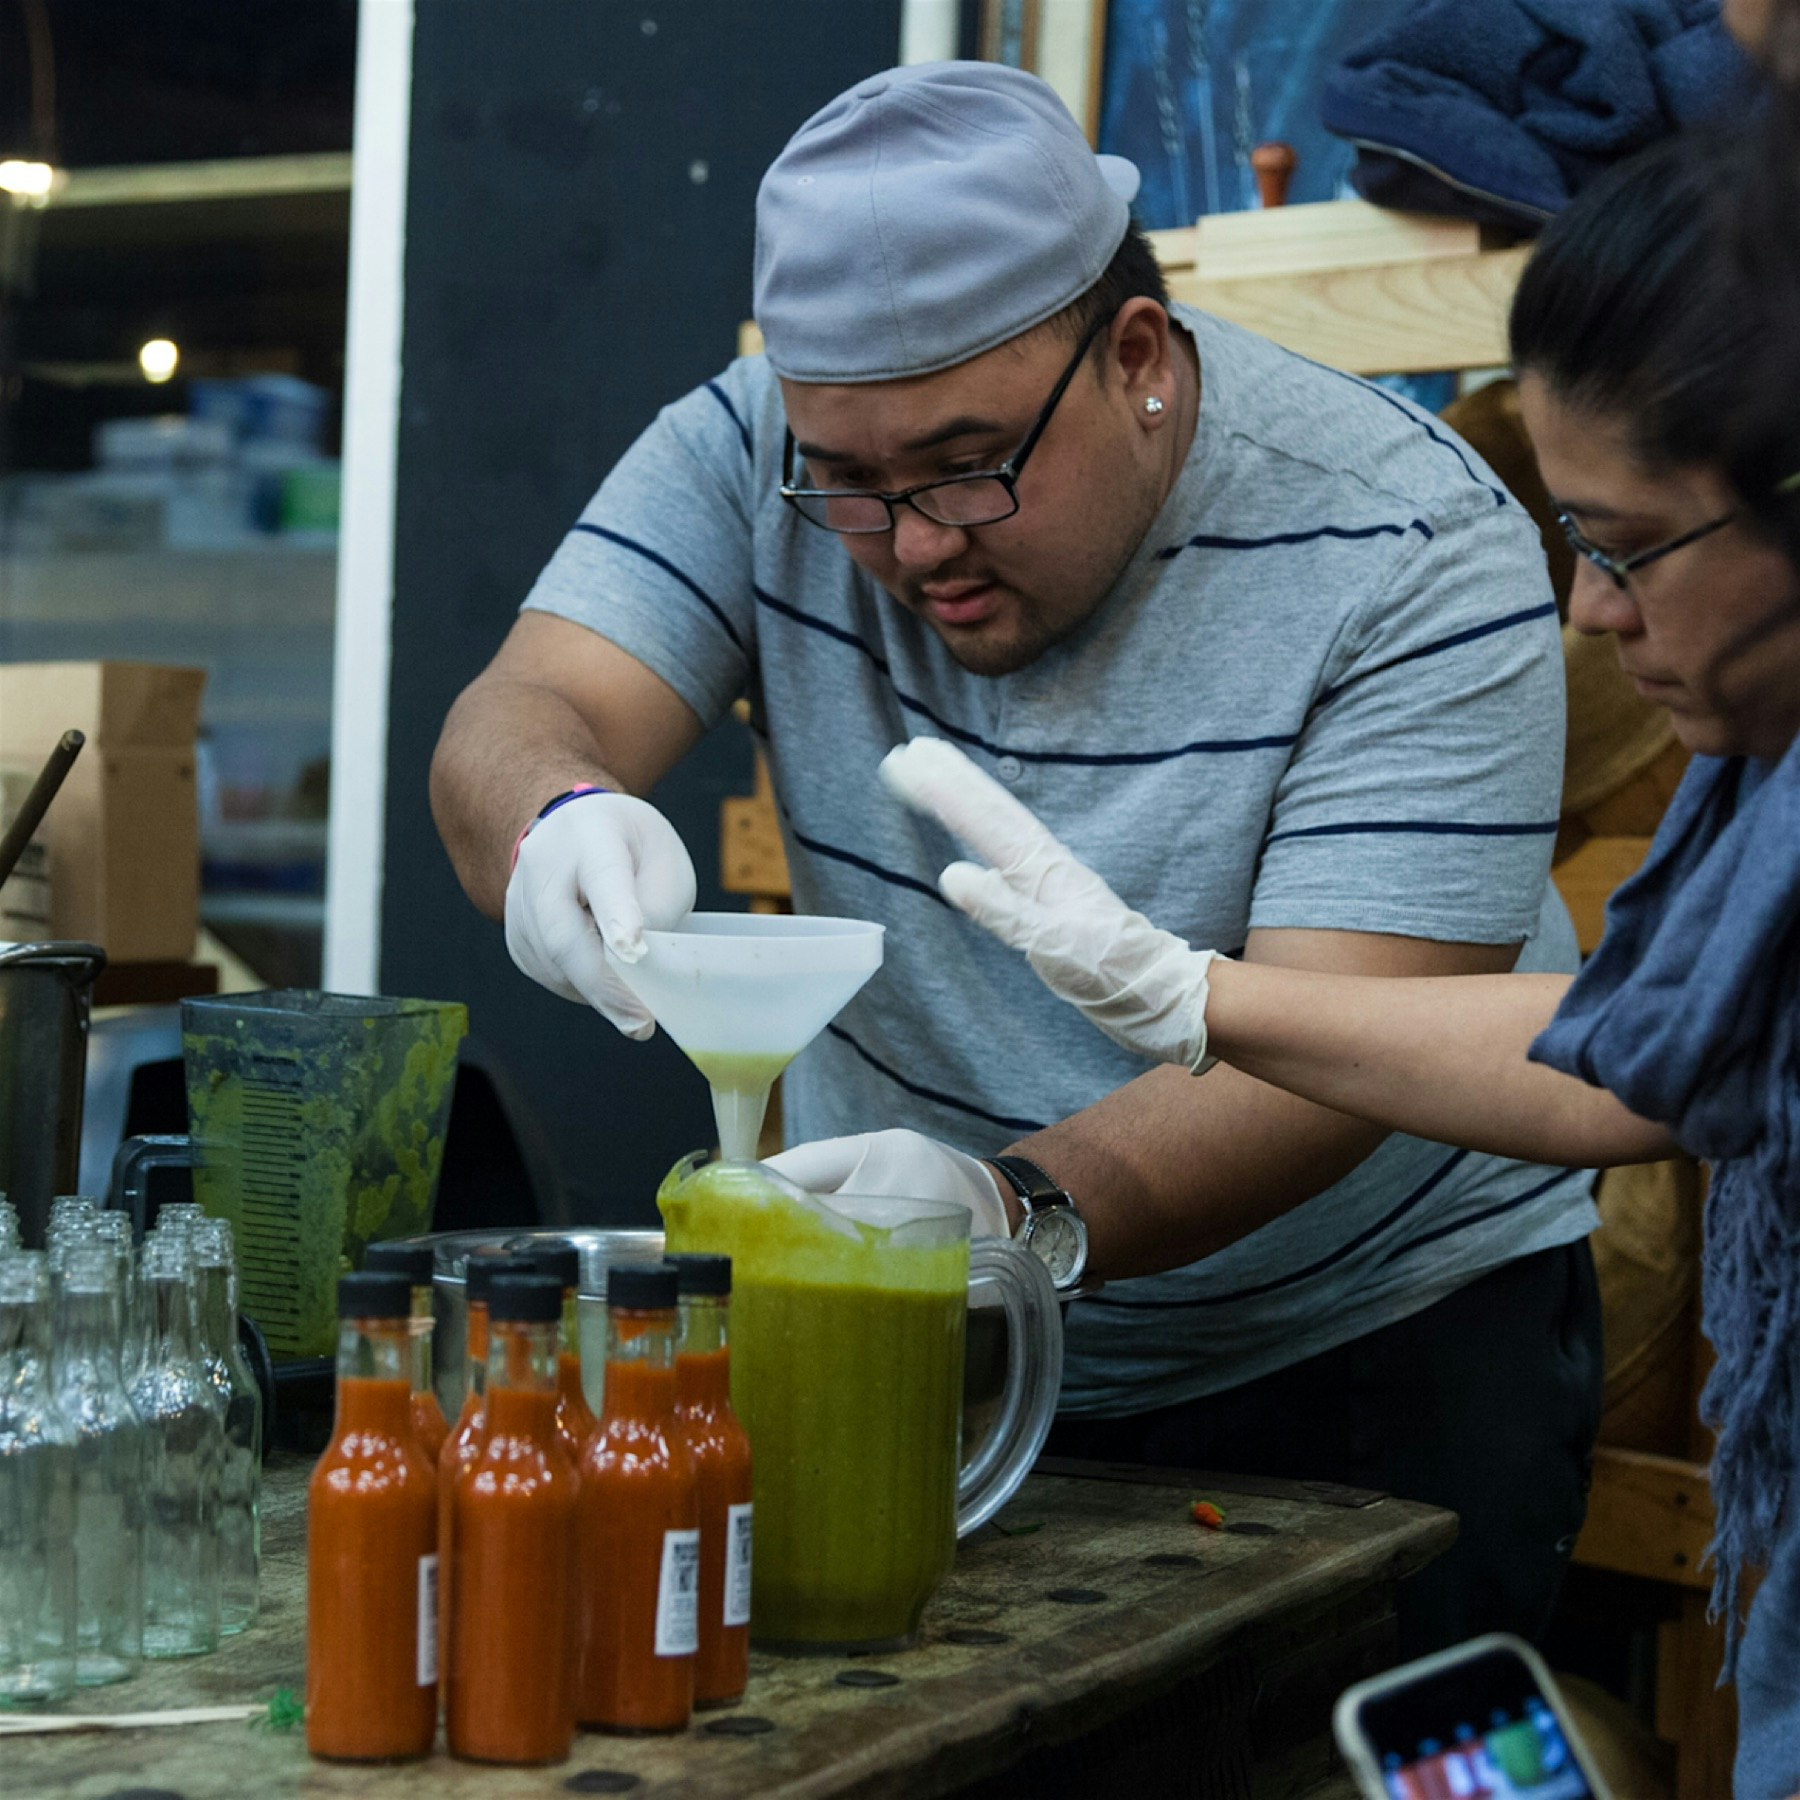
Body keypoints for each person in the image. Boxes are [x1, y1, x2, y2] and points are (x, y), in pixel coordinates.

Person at [432, 61, 1597, 1656]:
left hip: (1363, 1349)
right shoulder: (750, 449)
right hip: (929, 1338)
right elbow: (525, 707)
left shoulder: (1405, 544)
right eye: (847, 482)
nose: (911, 542)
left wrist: (1010, 1208)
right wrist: (554, 816)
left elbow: (1344, 1049)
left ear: (1134, 358)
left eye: (968, 463)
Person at [883, 126, 1800, 1797]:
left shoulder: (1412, 551)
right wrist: (1190, 993)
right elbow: (1622, 1049)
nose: (1591, 615)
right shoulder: (1764, 772)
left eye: (1627, 545)